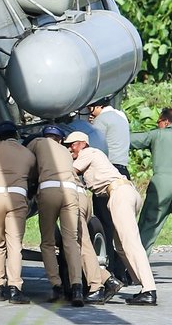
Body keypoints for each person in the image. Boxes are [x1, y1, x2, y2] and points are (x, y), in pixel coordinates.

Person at [65, 131, 157, 305]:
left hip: (119, 193)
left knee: (131, 243)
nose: (70, 148)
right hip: (123, 193)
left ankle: (149, 290)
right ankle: (144, 285)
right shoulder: (92, 154)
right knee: (121, 246)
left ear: (83, 143)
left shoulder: (88, 153)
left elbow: (70, 170)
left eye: (72, 144)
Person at [26, 125, 83, 306]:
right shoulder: (66, 152)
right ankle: (76, 287)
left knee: (48, 242)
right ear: (60, 139)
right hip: (71, 192)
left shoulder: (38, 142)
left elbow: (26, 159)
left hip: (49, 189)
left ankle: (56, 286)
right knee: (71, 241)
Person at [0, 121, 36, 304]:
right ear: (16, 135)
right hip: (18, 197)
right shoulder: (28, 154)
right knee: (14, 244)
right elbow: (32, 174)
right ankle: (15, 288)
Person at [88, 99, 132, 282]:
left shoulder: (100, 121)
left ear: (98, 106)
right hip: (124, 171)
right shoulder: (121, 116)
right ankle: (127, 271)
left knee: (104, 224)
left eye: (91, 108)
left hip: (108, 172)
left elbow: (95, 148)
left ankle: (111, 270)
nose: (90, 112)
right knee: (121, 227)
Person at [130, 108, 172, 254]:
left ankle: (138, 268)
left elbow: (132, 141)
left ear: (166, 122)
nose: (157, 124)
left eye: (158, 122)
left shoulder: (158, 134)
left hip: (162, 185)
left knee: (149, 226)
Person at [76, 180, 123, 304]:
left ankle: (97, 286)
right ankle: (107, 279)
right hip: (81, 195)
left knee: (80, 244)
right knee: (80, 243)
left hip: (72, 196)